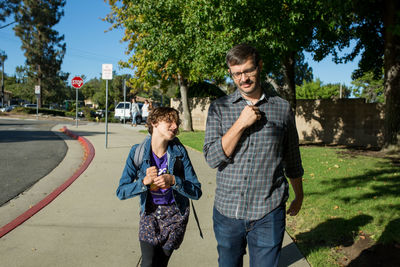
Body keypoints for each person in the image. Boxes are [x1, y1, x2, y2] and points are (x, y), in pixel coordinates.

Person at [203, 44, 304, 267]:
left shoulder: (282, 108)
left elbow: (292, 157)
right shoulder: (219, 108)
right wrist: (240, 123)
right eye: (236, 73)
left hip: (268, 211)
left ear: (259, 66)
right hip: (227, 211)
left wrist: (299, 195)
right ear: (230, 73)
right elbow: (212, 158)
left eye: (248, 70)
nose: (243, 78)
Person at [117, 107, 202, 267]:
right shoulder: (138, 152)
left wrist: (174, 180)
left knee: (160, 263)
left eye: (177, 122)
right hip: (150, 213)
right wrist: (144, 182)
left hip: (175, 216)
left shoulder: (179, 152)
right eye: (169, 121)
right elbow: (121, 191)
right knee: (148, 263)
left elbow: (196, 191)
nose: (175, 126)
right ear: (154, 122)